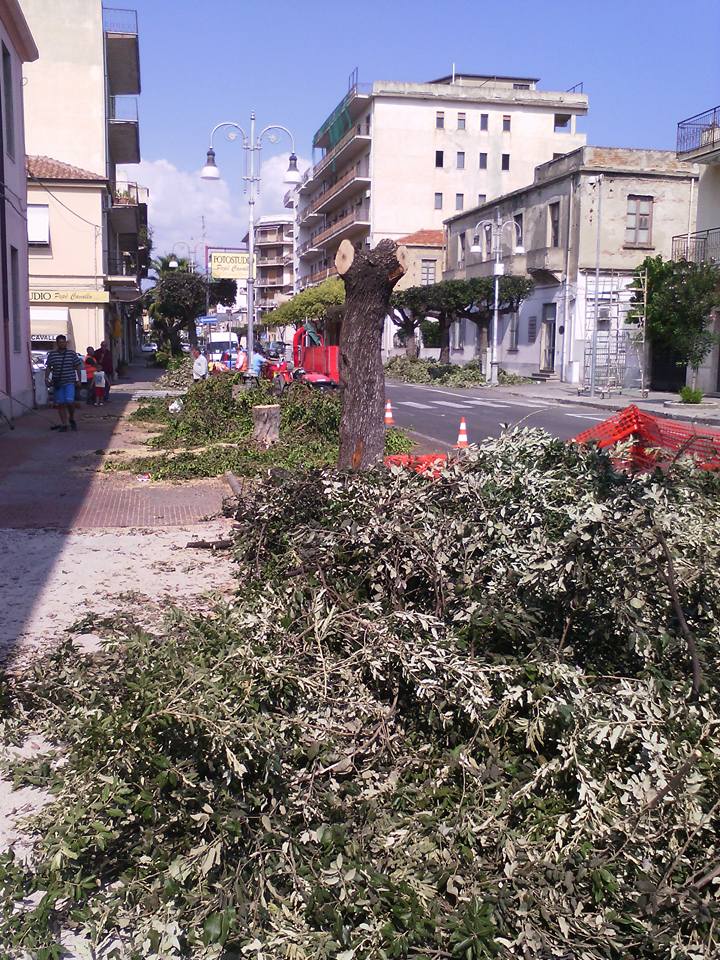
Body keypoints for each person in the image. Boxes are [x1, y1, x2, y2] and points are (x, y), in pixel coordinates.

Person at [45, 334, 82, 432]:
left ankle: (71, 417)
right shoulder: (52, 355)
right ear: (57, 343)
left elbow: (78, 366)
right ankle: (64, 424)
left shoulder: (71, 354)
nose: (62, 344)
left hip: (70, 381)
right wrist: (46, 379)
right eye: (60, 342)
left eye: (63, 342)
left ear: (66, 342)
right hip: (58, 383)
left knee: (70, 402)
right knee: (61, 404)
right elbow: (48, 367)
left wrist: (79, 380)